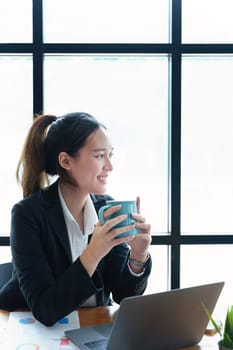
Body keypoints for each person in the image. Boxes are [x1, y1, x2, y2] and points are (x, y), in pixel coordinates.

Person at [0, 112, 152, 326]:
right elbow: (46, 310)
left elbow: (122, 295)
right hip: (30, 331)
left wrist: (138, 256)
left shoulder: (107, 207)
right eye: (100, 156)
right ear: (65, 161)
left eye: (110, 155)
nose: (109, 166)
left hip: (89, 329)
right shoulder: (27, 215)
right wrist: (94, 251)